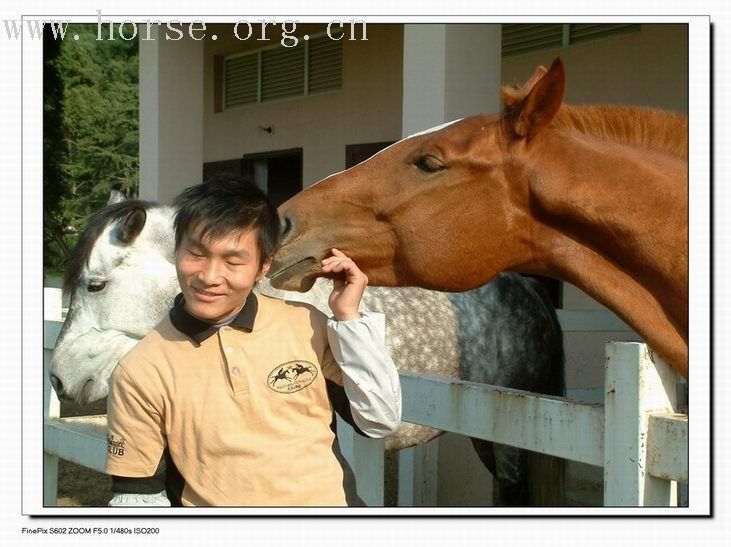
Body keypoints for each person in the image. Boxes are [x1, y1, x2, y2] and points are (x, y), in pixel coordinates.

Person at [104, 175, 401, 506]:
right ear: (176, 251)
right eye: (197, 254)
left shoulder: (306, 325)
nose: (209, 276)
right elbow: (137, 497)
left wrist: (348, 318)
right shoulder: (140, 369)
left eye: (233, 261)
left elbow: (379, 419)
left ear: (263, 266)